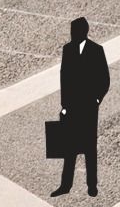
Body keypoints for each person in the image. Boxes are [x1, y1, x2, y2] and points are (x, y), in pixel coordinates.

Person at [57, 16, 109, 197]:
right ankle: (65, 185)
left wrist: (96, 100)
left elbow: (104, 79)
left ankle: (92, 185)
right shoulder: (68, 49)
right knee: (69, 148)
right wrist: (64, 105)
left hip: (88, 108)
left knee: (89, 148)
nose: (72, 35)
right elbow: (64, 78)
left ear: (82, 31)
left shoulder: (96, 50)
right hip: (72, 107)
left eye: (74, 31)